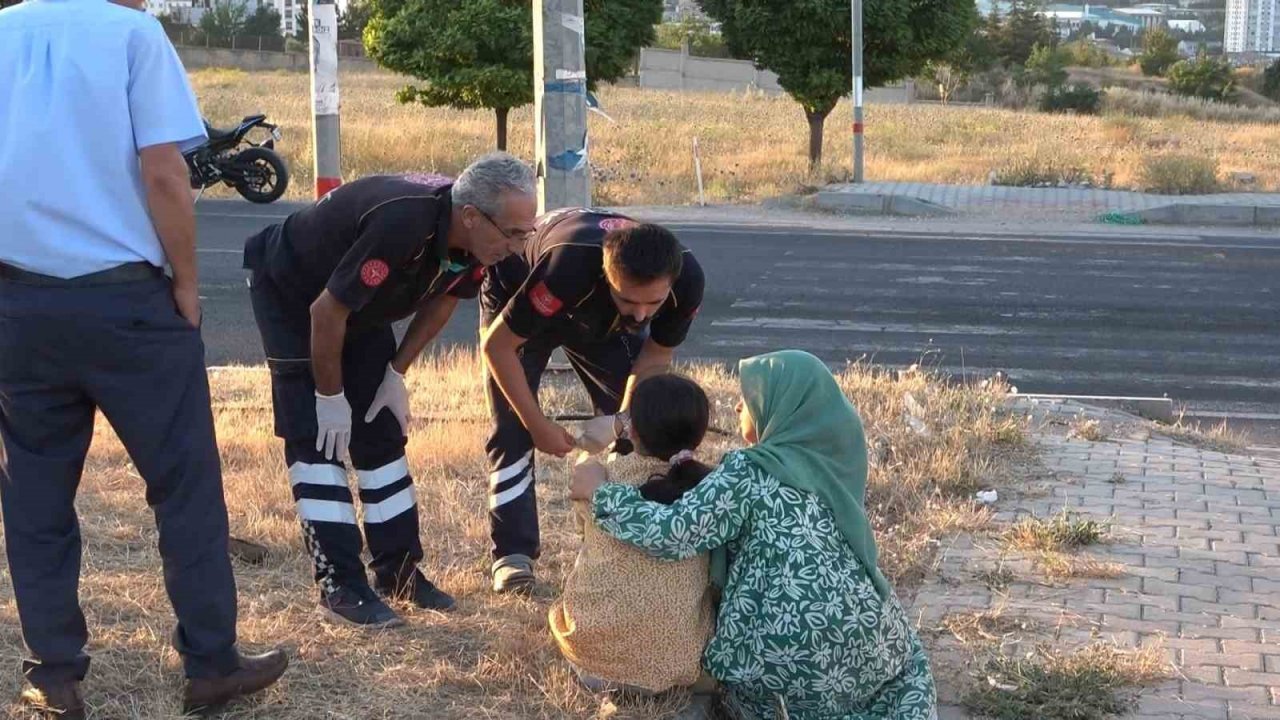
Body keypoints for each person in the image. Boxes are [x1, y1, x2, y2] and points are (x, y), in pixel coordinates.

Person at [0, 0, 288, 716]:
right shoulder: (132, 34)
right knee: (184, 486)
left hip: (18, 303)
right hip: (128, 302)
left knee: (33, 494)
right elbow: (164, 172)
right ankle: (211, 662)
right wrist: (187, 284)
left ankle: (55, 671)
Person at [242, 154, 537, 628]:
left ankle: (398, 571)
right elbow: (325, 312)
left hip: (354, 305)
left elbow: (444, 299)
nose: (519, 246)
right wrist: (329, 397)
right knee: (318, 440)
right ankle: (339, 584)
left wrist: (395, 372)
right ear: (471, 217)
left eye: (527, 232)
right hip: (296, 297)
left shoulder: (474, 241)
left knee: (381, 431)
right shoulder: (402, 224)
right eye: (513, 233)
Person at [571, 350, 938, 720]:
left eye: (747, 400)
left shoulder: (748, 471)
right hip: (873, 653)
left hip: (783, 672)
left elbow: (672, 534)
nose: (736, 407)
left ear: (781, 409)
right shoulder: (824, 470)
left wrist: (602, 492)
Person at [479, 209, 705, 594]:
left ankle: (618, 539)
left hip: (596, 315)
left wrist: (620, 420)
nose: (641, 313)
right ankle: (513, 555)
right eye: (629, 299)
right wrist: (538, 425)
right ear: (606, 275)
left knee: (643, 425)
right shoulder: (567, 267)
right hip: (525, 293)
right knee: (512, 423)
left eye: (653, 303)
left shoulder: (689, 281)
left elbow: (654, 359)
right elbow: (498, 347)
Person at [549, 373, 717, 702]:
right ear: (699, 434)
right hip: (678, 664)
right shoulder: (712, 488)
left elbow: (582, 533)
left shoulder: (599, 476)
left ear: (633, 430)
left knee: (562, 606)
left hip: (595, 661)